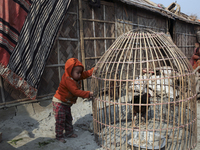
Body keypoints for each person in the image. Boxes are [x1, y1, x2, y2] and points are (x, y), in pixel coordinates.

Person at [52, 58, 94, 143]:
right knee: (60, 120)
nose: (79, 75)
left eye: (80, 72)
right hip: (59, 102)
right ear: (70, 71)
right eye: (77, 73)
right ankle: (59, 136)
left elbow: (85, 74)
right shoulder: (68, 79)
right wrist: (88, 94)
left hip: (66, 103)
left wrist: (93, 71)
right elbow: (75, 92)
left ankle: (69, 133)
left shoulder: (75, 76)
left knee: (68, 119)